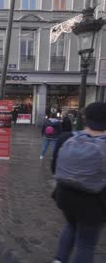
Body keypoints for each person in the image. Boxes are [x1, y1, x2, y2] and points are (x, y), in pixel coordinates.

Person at [51, 102, 106, 263]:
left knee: (71, 226)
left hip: (65, 196)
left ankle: (59, 260)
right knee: (86, 244)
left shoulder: (66, 138)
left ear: (84, 118)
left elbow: (55, 168)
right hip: (95, 201)